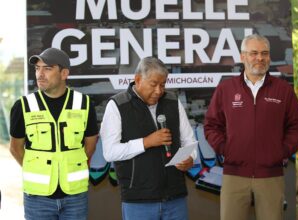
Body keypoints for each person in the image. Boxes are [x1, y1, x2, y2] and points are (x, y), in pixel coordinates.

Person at [204, 34, 298, 220]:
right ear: (243, 57)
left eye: (264, 53)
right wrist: (225, 149)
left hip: (270, 176)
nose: (260, 58)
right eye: (253, 53)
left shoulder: (282, 89)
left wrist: (282, 150)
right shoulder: (226, 89)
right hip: (234, 175)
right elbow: (211, 125)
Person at [100, 56, 197, 220]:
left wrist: (190, 159)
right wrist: (146, 142)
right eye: (153, 84)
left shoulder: (173, 102)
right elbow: (110, 152)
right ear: (137, 80)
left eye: (163, 85)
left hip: (175, 198)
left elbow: (190, 141)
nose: (159, 90)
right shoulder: (117, 105)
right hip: (138, 201)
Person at [9, 48, 99, 220]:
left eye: (47, 68)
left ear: (64, 73)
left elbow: (90, 146)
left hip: (75, 196)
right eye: (37, 68)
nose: (40, 74)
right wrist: (38, 168)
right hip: (37, 198)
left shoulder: (84, 103)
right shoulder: (23, 106)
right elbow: (15, 148)